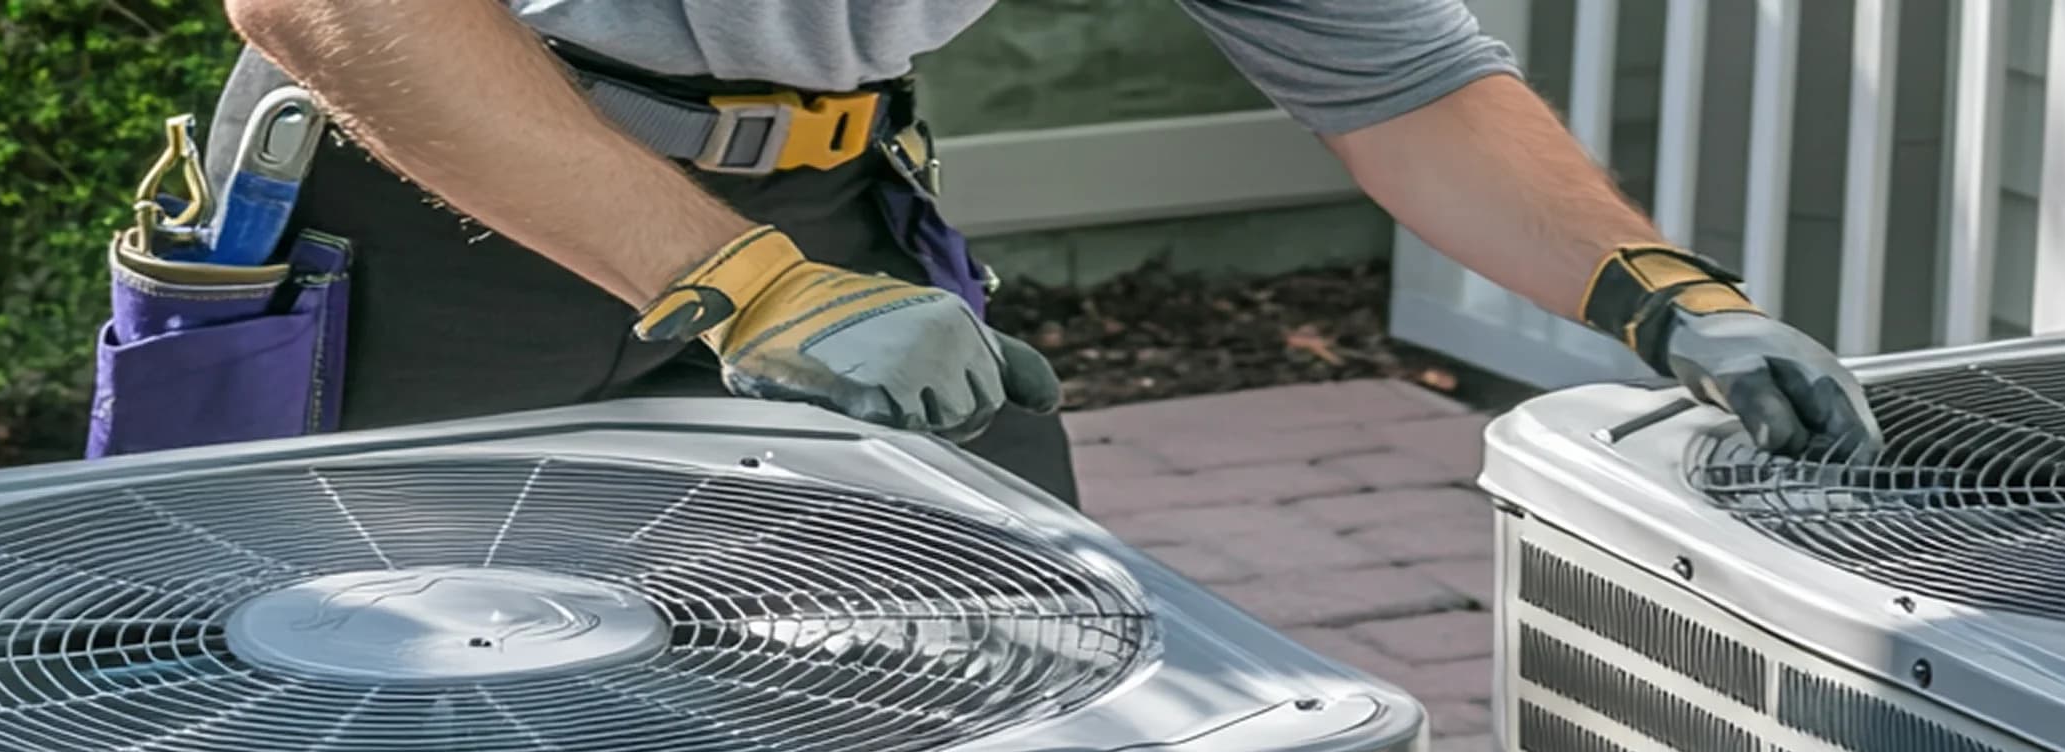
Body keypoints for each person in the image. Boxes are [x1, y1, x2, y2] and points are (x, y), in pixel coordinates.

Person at [216, 0, 1883, 507]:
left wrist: (1662, 298)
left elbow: (1396, 81)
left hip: (829, 214)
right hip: (433, 211)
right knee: (380, 726)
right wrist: (755, 292)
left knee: (999, 677)